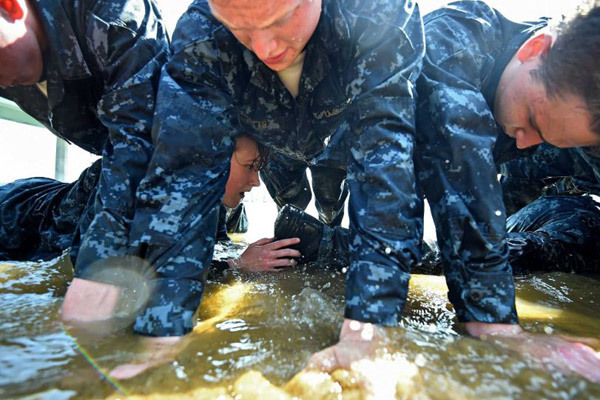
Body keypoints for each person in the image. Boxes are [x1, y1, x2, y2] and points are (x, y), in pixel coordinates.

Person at [69, 0, 426, 377]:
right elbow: (183, 179)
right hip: (275, 144)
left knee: (334, 201)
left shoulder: (377, 13)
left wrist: (370, 324)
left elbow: (385, 167)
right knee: (292, 205)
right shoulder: (203, 37)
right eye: (241, 27)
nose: (265, 48)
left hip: (335, 138)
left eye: (280, 19)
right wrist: (162, 333)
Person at [279, 1, 600, 380]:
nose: (527, 142)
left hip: (516, 199)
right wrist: (492, 323)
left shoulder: (566, 100)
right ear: (534, 50)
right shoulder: (454, 39)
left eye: (549, 138)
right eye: (532, 120)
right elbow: (450, 162)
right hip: (343, 146)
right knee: (332, 199)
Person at [0, 0, 169, 263]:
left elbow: (142, 143)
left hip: (144, 166)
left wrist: (91, 267)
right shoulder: (10, 56)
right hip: (47, 200)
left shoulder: (112, 12)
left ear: (10, 6)